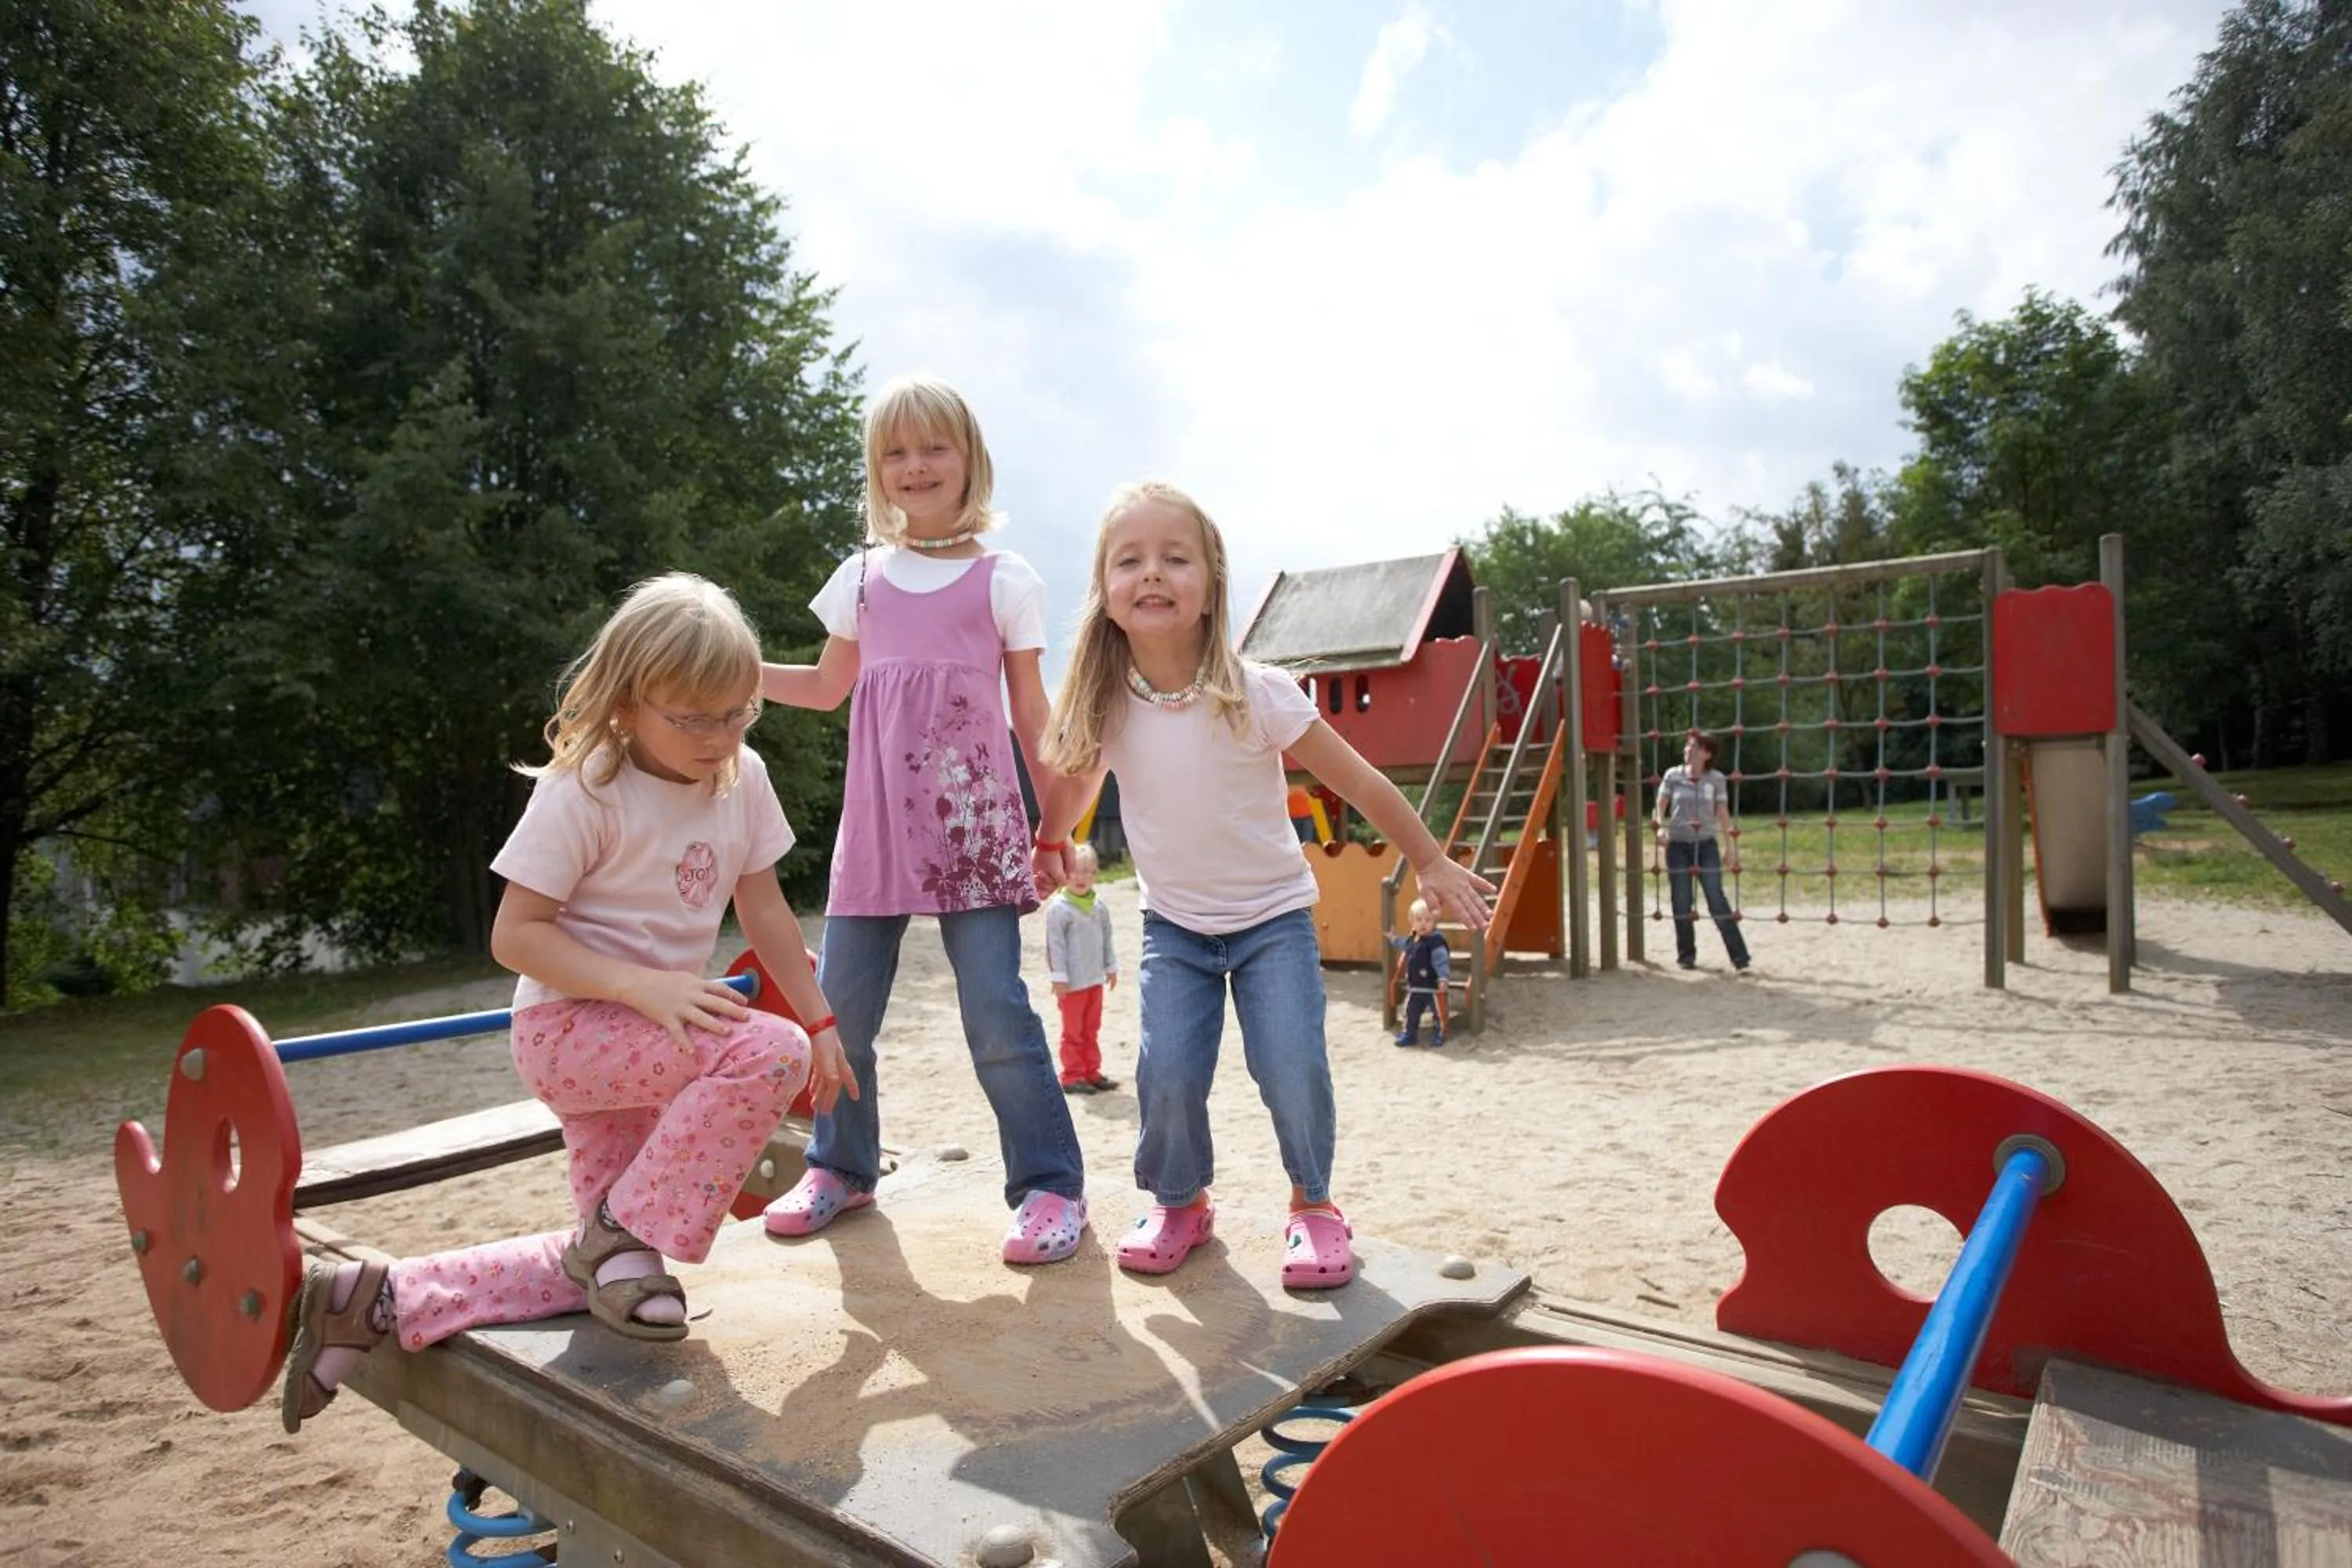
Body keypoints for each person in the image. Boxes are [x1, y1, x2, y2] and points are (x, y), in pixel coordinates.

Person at [279, 573, 855, 1433]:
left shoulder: (744, 775)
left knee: (601, 1265)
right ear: (627, 702)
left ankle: (374, 1298)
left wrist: (821, 1018)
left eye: (737, 711)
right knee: (762, 1052)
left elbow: (765, 906)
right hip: (572, 1028)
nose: (718, 735)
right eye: (691, 717)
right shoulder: (587, 786)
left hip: (658, 1036)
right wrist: (645, 984)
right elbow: (517, 934)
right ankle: (617, 1235)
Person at [1031, 481, 1495, 1288]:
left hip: (1273, 921)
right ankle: (1182, 1202)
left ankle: (1314, 1204)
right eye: (1129, 560)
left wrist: (1429, 858)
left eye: (1175, 559)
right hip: (1174, 927)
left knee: (1290, 1064)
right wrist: (1050, 836)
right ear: (1104, 594)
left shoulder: (1258, 692)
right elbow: (1074, 784)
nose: (1152, 574)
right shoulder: (1106, 706)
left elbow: (1362, 783)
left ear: (1210, 586)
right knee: (1167, 1069)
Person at [757, 375, 1089, 1265]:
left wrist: (1055, 825)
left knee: (994, 1011)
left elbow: (1033, 714)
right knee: (841, 1011)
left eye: (932, 448)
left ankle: (1051, 1182)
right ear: (877, 470)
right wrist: (732, 668)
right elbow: (828, 686)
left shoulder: (1002, 578)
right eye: (895, 452)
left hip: (976, 832)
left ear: (968, 460)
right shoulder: (860, 576)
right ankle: (842, 1165)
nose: (915, 465)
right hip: (876, 830)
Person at [1653, 730, 1751, 972]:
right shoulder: (1673, 775)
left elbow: (1723, 813)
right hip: (1678, 846)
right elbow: (1660, 805)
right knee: (1682, 901)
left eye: (1694, 747)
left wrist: (1730, 847)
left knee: (1716, 899)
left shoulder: (1715, 779)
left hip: (1706, 845)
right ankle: (1686, 957)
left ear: (1707, 754)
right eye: (1687, 746)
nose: (1687, 750)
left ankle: (1740, 958)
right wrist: (1659, 828)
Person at [1046, 842, 1121, 1094]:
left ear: (1096, 874)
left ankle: (1091, 1072)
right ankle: (1072, 1075)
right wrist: (1058, 978)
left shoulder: (1099, 907)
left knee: (1091, 1029)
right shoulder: (1059, 909)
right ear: (1064, 873)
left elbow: (1106, 939)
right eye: (1075, 871)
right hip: (1072, 984)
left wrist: (1110, 967)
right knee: (1074, 1032)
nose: (1081, 877)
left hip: (1094, 980)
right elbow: (1055, 946)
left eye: (1087, 871)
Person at [1388, 898, 1451, 1048]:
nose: (1423, 923)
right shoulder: (1413, 939)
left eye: (1428, 920)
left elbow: (1441, 961)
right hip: (1415, 987)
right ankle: (1410, 1034)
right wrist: (1393, 939)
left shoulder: (1435, 941)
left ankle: (1439, 1034)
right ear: (1412, 922)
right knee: (1410, 1012)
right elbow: (1403, 944)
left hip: (1433, 987)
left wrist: (1443, 978)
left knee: (1439, 1013)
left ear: (1434, 921)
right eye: (1419, 920)